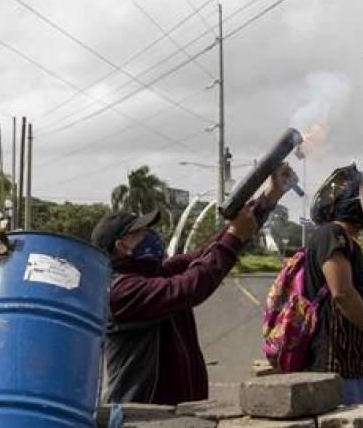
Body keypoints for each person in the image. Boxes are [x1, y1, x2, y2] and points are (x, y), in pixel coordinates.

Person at [94, 165, 294, 405]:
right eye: (139, 232)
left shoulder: (156, 273)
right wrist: (234, 235)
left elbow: (208, 252)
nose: (149, 235)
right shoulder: (121, 291)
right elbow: (192, 286)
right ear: (121, 246)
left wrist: (268, 197)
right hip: (142, 417)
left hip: (175, 413)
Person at [303, 164, 363, 403]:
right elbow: (342, 293)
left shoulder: (347, 241)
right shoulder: (331, 234)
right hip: (342, 368)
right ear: (346, 200)